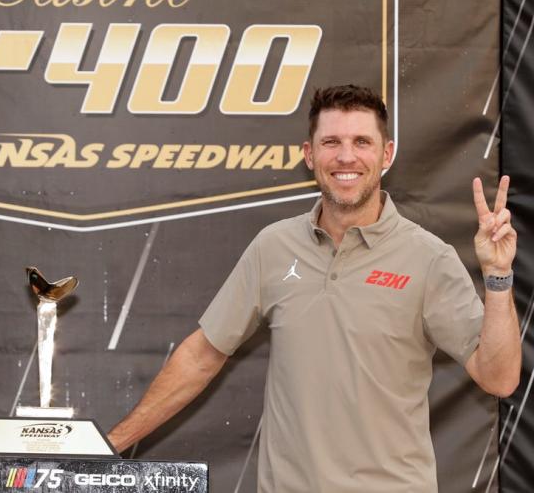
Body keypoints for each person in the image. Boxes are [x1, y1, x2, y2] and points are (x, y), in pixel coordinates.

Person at [107, 85, 520, 492]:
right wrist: (109, 446)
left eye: (362, 141)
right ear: (309, 155)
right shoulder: (273, 246)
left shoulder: (429, 258)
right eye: (331, 142)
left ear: (386, 154)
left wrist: (498, 278)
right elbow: (201, 356)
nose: (346, 156)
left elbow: (498, 379)